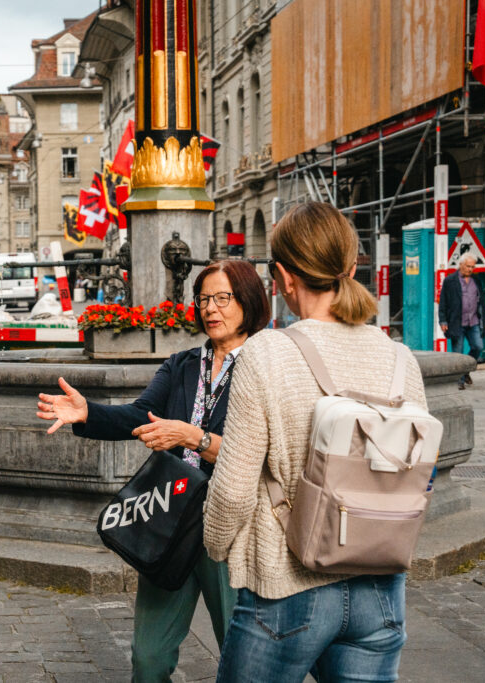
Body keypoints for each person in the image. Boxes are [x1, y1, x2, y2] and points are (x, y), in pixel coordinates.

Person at [204, 202, 427, 682]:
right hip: (380, 588)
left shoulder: (267, 352)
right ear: (350, 268)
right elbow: (415, 477)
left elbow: (233, 489)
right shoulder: (399, 358)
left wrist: (216, 546)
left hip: (287, 590)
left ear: (283, 278)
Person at [37, 260, 270, 682]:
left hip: (233, 527)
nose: (210, 309)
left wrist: (192, 436)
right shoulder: (182, 365)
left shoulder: (267, 367)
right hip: (174, 523)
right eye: (203, 300)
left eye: (223, 298)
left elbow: (262, 455)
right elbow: (137, 415)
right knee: (148, 657)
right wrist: (88, 412)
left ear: (249, 301)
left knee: (242, 662)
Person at [439, 254, 484, 389]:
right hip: (456, 322)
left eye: (472, 267)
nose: (470, 269)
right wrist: (443, 321)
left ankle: (465, 370)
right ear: (461, 265)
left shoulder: (476, 280)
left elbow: (481, 300)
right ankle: (458, 381)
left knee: (478, 346)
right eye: (468, 266)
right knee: (457, 353)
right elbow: (443, 302)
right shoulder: (450, 281)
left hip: (473, 321)